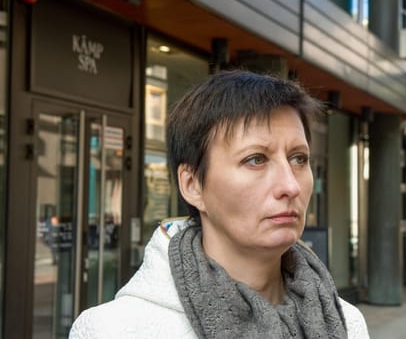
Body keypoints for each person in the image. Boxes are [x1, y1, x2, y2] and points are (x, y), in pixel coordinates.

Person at [69, 70, 369, 338]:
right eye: (255, 159)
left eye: (299, 159)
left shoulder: (346, 323)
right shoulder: (112, 330)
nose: (290, 185)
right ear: (192, 185)